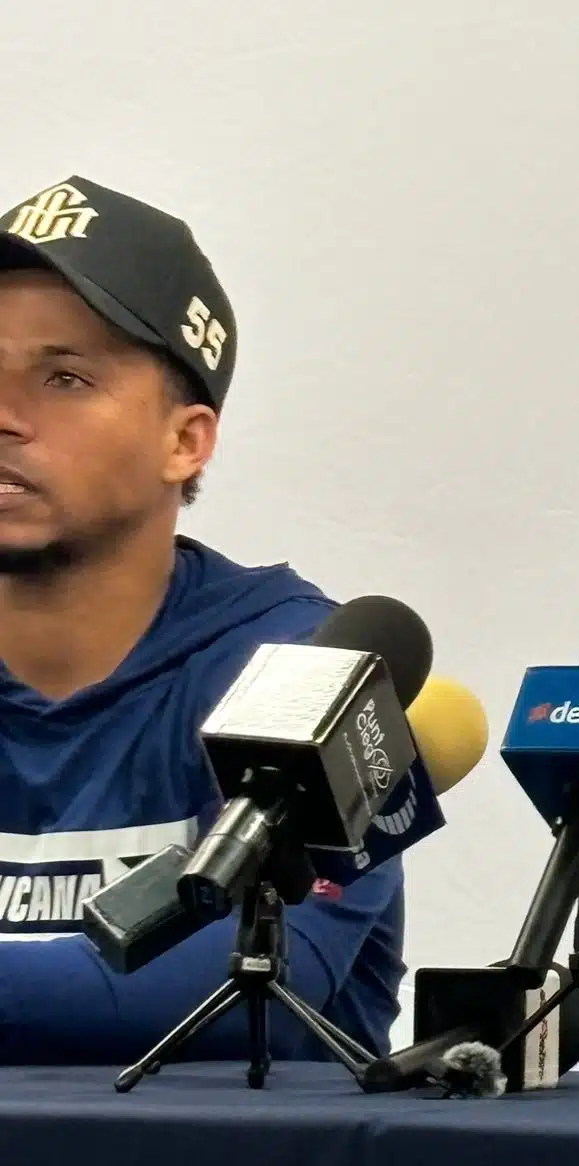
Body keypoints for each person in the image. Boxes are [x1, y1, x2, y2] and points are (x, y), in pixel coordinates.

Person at [0, 176, 404, 1064]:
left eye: (63, 378)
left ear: (184, 441)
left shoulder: (307, 666)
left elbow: (244, 984)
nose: (4, 416)